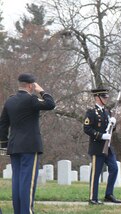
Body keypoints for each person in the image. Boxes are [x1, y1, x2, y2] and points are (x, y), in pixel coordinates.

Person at [0, 73, 55, 214]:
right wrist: (41, 91)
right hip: (30, 146)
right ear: (31, 85)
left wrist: (4, 144)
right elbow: (50, 104)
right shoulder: (31, 100)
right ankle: (27, 211)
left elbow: (3, 125)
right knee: (28, 182)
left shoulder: (9, 101)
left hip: (14, 147)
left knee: (17, 182)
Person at [83, 86, 121, 205]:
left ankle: (109, 194)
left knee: (114, 169)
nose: (106, 99)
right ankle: (92, 198)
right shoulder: (91, 112)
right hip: (97, 147)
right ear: (97, 97)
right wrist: (101, 136)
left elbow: (110, 129)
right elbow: (87, 128)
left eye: (106, 96)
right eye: (104, 96)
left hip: (108, 147)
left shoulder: (107, 112)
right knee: (96, 173)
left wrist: (113, 124)